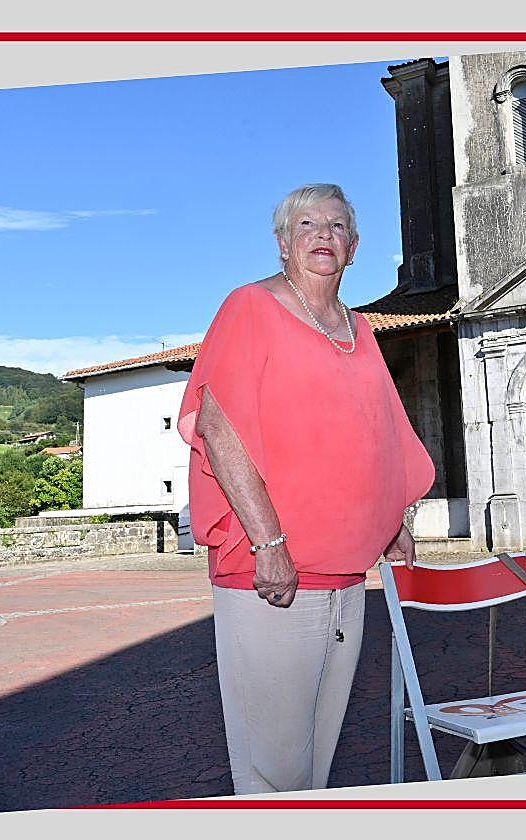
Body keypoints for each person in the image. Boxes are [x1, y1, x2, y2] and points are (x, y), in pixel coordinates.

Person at [177, 183, 435, 794]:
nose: (323, 234)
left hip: (348, 575)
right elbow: (221, 428)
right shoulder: (250, 306)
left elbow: (381, 430)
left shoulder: (361, 329)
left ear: (353, 248)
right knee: (273, 758)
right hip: (274, 571)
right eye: (307, 225)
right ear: (283, 244)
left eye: (337, 225)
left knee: (318, 752)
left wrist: (394, 516)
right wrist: (269, 544)